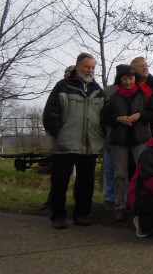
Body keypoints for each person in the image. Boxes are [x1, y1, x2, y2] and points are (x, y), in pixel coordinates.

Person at [42, 52, 105, 229]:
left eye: (92, 67)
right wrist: (59, 133)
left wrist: (100, 136)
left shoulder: (97, 90)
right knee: (60, 182)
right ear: (78, 67)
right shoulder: (62, 86)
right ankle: (58, 216)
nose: (90, 70)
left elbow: (103, 116)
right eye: (87, 66)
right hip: (65, 144)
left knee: (86, 183)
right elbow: (50, 114)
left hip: (89, 145)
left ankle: (82, 214)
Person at [101, 64, 153, 220]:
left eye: (131, 78)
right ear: (120, 79)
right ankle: (119, 205)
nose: (128, 81)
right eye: (124, 78)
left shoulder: (145, 93)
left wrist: (140, 115)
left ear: (135, 78)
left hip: (140, 138)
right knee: (119, 174)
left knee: (143, 170)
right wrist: (118, 119)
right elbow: (105, 117)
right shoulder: (114, 95)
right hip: (119, 139)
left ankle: (142, 202)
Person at [40, 65, 76, 212]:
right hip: (62, 139)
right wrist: (59, 134)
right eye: (66, 75)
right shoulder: (59, 90)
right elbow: (50, 115)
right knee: (59, 174)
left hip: (79, 140)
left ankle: (79, 205)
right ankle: (53, 201)